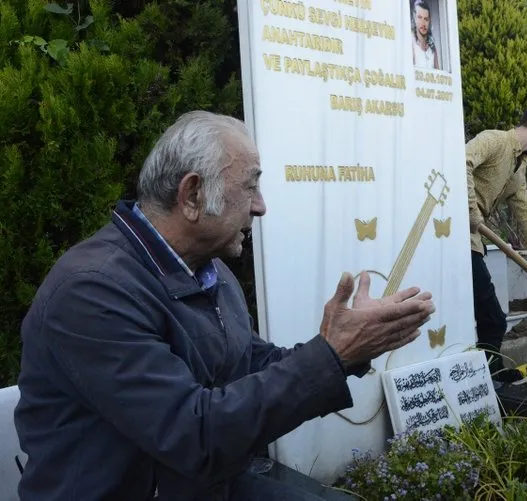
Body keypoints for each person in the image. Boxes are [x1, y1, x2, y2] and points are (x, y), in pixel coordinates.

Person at [13, 111, 436, 500]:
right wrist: (332, 354)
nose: (261, 205)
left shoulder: (207, 269)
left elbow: (249, 363)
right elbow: (194, 436)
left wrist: (346, 351)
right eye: (251, 184)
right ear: (193, 194)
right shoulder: (93, 292)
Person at [466, 99, 527, 384]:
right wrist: (471, 211)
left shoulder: (517, 170)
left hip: (471, 240)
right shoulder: (494, 141)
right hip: (450, 235)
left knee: (489, 318)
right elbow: (462, 161)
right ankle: (489, 379)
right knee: (493, 318)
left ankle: (487, 376)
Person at [411, 0, 440, 70]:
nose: (423, 23)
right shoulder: (411, 43)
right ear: (414, 18)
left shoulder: (432, 46)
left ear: (429, 21)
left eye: (426, 19)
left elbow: (438, 72)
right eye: (420, 17)